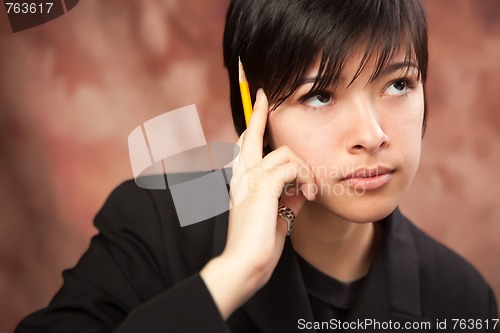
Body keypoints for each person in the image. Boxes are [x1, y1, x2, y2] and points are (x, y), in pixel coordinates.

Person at [15, 0, 499, 332]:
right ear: (254, 113)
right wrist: (234, 274)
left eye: (398, 84)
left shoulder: (461, 299)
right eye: (320, 95)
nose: (373, 135)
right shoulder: (155, 223)